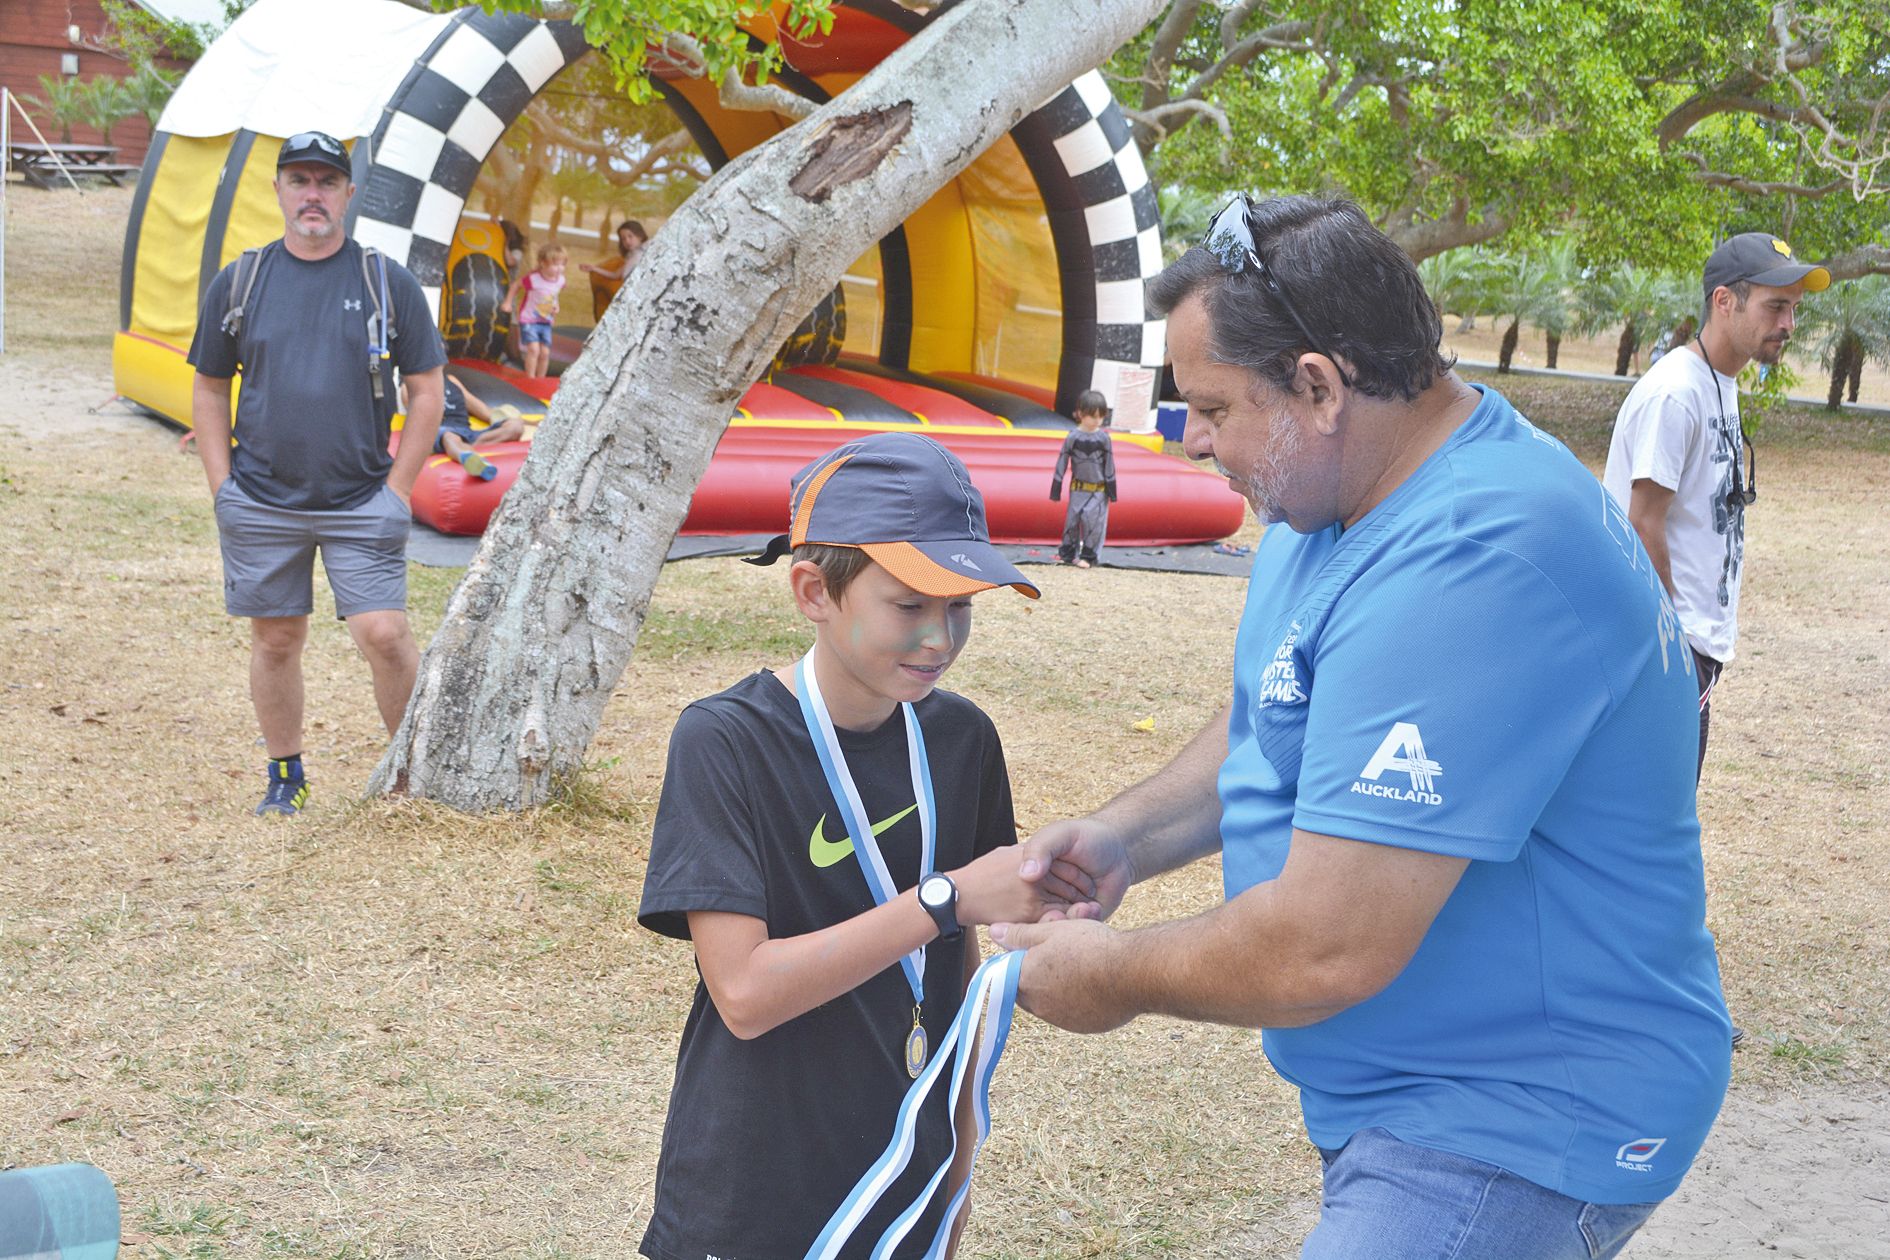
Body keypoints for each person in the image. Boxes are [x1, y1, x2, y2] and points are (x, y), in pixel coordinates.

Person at [994, 195, 1732, 1259]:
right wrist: (1127, 837)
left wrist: (1107, 977)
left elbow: (1321, 949)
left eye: (1210, 407)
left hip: (1521, 1113)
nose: (1191, 439)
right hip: (1426, 1095)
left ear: (1319, 386)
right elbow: (1284, 708)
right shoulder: (1337, 490)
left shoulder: (1478, 555)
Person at [636, 432, 1051, 1260]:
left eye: (961, 606)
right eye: (909, 606)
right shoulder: (725, 740)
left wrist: (959, 1140)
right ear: (813, 591)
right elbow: (746, 995)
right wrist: (944, 898)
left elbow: (961, 967)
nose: (940, 639)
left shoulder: (963, 738)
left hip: (907, 1169)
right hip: (751, 1187)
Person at [188, 130, 446, 816]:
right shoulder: (241, 281)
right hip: (262, 498)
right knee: (277, 637)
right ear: (277, 190)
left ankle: (408, 779)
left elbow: (428, 389)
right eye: (299, 180)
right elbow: (210, 388)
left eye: (326, 182)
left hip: (363, 496)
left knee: (385, 636)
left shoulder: (384, 281)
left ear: (348, 194)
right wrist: (223, 489)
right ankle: (286, 775)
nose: (312, 194)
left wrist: (398, 490)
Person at [1604, 234, 1825, 781]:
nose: (1789, 324)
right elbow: (1642, 521)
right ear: (1724, 301)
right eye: (1776, 306)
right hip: (1666, 653)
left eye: (1794, 309)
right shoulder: (1675, 393)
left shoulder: (1719, 380)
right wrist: (1671, 648)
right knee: (1654, 822)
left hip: (1694, 650)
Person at [402, 372, 527, 481]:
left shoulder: (451, 380)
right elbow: (418, 418)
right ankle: (466, 457)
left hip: (466, 432)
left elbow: (481, 409)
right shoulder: (411, 385)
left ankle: (468, 453)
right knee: (450, 436)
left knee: (515, 426)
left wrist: (519, 421)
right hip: (441, 430)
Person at [1049, 389, 1116, 568]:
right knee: (1072, 521)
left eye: (1100, 417)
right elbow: (1062, 461)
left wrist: (1112, 489)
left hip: (1099, 489)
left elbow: (1109, 464)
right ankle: (1069, 553)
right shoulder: (1073, 437)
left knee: (1094, 522)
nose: (1097, 421)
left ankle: (1089, 556)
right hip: (1078, 488)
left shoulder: (1103, 438)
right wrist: (1056, 486)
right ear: (1081, 414)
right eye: (1093, 416)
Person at [502, 242, 566, 378]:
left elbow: (554, 295)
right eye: (555, 264)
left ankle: (540, 379)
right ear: (543, 263)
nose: (559, 268)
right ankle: (530, 378)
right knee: (534, 349)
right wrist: (508, 302)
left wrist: (556, 306)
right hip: (529, 319)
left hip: (546, 321)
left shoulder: (560, 280)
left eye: (562, 264)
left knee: (545, 353)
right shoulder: (533, 279)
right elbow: (515, 285)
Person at [580, 219, 646, 320]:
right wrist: (594, 268)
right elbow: (616, 275)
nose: (627, 241)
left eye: (630, 236)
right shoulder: (631, 257)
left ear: (640, 235)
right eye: (623, 239)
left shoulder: (648, 252)